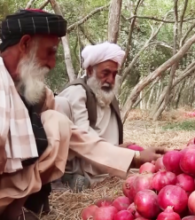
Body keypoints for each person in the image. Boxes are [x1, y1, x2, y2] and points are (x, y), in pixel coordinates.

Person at [0, 9, 165, 220]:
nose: (52, 64)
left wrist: (136, 157)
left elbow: (76, 135)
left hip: (11, 189)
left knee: (57, 123)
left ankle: (13, 213)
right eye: (49, 52)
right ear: (24, 44)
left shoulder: (36, 92)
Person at [55, 42, 133, 189]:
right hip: (84, 159)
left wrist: (120, 150)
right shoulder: (76, 92)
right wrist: (121, 154)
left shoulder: (107, 96)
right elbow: (83, 139)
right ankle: (66, 176)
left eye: (114, 74)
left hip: (107, 160)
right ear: (90, 70)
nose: (110, 79)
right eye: (105, 73)